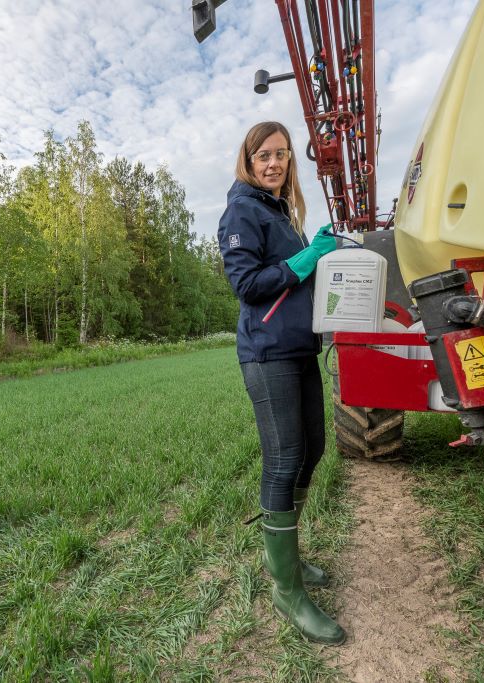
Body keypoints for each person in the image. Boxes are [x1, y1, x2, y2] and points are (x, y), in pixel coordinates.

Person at [217, 121, 345, 645]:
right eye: (264, 155)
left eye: (283, 156)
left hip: (299, 348)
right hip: (266, 353)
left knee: (313, 449)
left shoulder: (281, 213)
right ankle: (286, 590)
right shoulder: (241, 211)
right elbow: (247, 286)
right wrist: (303, 259)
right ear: (247, 159)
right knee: (284, 458)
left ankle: (289, 556)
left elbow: (296, 279)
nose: (274, 164)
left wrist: (325, 265)